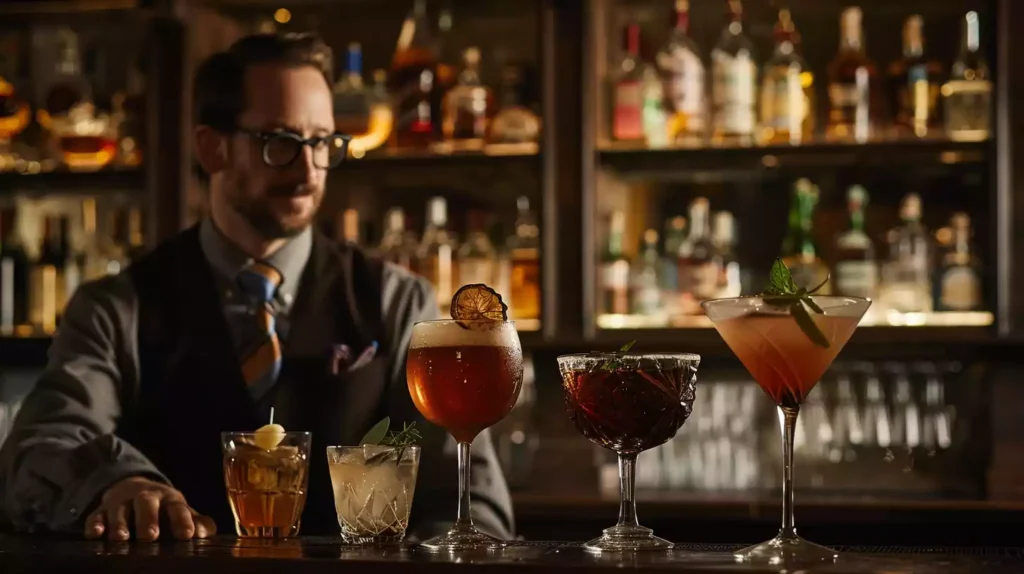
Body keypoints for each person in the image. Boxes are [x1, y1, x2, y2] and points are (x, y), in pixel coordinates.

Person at [0, 33, 514, 542]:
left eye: (323, 143)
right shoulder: (118, 308)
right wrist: (114, 481)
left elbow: (470, 500)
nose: (309, 169)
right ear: (212, 148)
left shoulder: (398, 301)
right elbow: (42, 442)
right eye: (281, 143)